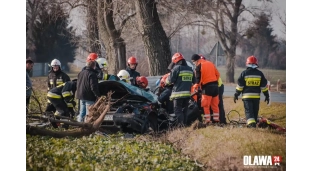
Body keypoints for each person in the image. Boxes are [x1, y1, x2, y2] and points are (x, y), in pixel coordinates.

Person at [234, 55, 270, 128]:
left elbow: (240, 86)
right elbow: (264, 86)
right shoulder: (260, 74)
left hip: (247, 97)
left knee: (249, 111)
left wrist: (236, 94)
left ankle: (251, 125)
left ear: (247, 63)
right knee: (254, 111)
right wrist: (267, 95)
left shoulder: (244, 73)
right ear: (256, 64)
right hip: (256, 97)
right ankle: (253, 123)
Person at [168, 53, 195, 127]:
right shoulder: (190, 69)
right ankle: (184, 126)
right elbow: (194, 81)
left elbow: (170, 80)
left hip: (178, 94)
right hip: (187, 95)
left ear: (176, 61)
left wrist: (165, 81)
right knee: (184, 111)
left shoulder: (177, 68)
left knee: (178, 111)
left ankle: (181, 126)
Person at [192, 54, 220, 125]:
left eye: (193, 62)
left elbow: (198, 80)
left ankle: (207, 121)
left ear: (197, 60)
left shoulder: (199, 66)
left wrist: (195, 87)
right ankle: (216, 120)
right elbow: (218, 74)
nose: (194, 64)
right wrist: (214, 81)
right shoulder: (210, 63)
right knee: (215, 105)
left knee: (205, 105)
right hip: (215, 86)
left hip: (207, 87)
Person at [198, 55, 227, 125]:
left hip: (212, 87)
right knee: (217, 105)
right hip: (217, 87)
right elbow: (217, 75)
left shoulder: (201, 67)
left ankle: (210, 120)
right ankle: (219, 121)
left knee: (207, 104)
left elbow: (199, 79)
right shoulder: (210, 65)